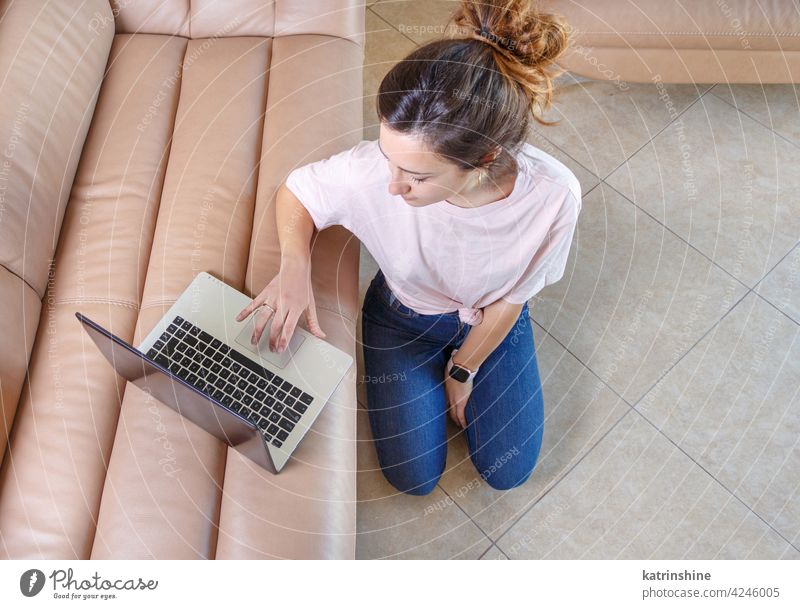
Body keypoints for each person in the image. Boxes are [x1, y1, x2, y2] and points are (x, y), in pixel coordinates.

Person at [235, 0, 581, 495]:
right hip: (401, 319)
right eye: (388, 157)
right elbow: (298, 191)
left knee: (507, 471)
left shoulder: (554, 198)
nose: (393, 186)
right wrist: (295, 265)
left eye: (416, 176)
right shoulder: (372, 173)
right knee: (413, 479)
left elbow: (514, 296)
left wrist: (463, 369)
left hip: (491, 321)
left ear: (483, 159)